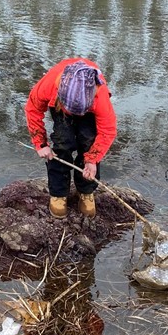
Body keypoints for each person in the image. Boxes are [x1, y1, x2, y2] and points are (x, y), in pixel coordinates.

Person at [24, 57, 117, 219]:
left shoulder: (99, 96)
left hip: (90, 107)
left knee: (88, 142)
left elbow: (107, 130)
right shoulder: (48, 86)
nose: (76, 116)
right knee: (62, 142)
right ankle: (59, 193)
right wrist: (41, 144)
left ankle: (86, 191)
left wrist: (92, 159)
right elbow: (32, 110)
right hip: (61, 104)